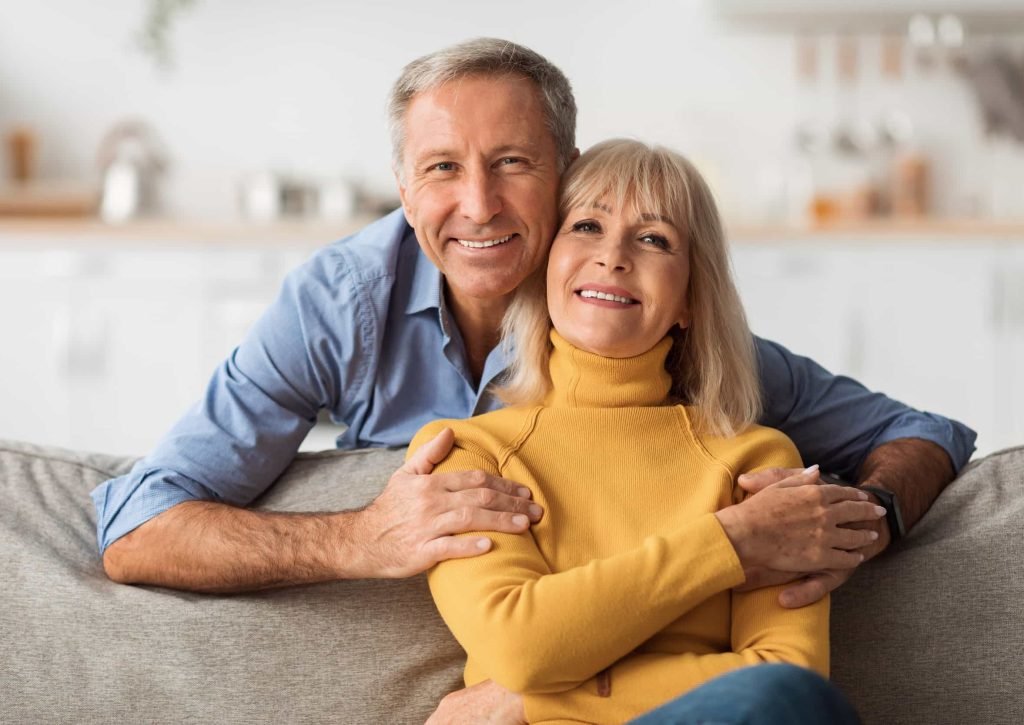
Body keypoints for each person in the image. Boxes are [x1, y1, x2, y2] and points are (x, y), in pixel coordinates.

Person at [93, 38, 973, 610]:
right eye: (442, 168)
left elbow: (921, 431)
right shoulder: (340, 303)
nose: (477, 205)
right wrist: (361, 534)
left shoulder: (635, 317)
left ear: (567, 171)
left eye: (512, 163)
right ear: (404, 191)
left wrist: (861, 517)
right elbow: (138, 524)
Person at [412, 138, 863, 724]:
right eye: (586, 227)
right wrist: (731, 541)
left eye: (654, 239)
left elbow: (786, 680)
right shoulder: (468, 452)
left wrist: (529, 700)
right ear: (548, 262)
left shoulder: (756, 458)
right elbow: (522, 648)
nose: (614, 256)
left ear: (690, 300)